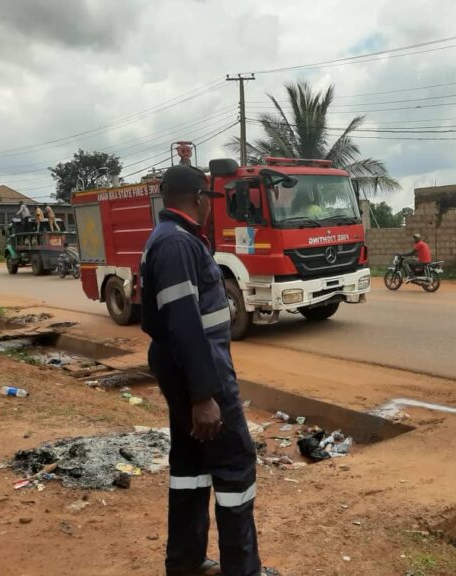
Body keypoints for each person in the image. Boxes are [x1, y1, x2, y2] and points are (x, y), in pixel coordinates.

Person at [140, 165, 268, 576]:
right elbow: (184, 323)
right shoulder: (177, 244)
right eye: (209, 201)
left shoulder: (170, 239)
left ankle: (186, 562)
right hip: (200, 372)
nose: (211, 209)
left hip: (186, 369)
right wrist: (203, 397)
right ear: (197, 198)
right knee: (235, 465)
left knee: (192, 465)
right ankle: (241, 570)